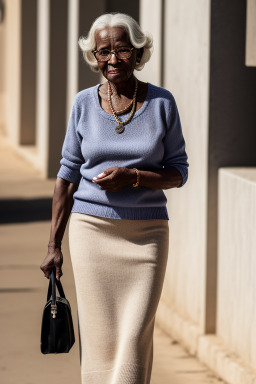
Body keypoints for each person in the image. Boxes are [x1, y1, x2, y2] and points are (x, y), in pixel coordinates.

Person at [40, 12, 189, 384]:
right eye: (103, 51)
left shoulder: (161, 104)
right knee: (100, 336)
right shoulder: (83, 104)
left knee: (135, 334)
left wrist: (134, 177)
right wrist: (53, 244)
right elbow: (67, 175)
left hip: (148, 236)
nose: (111, 59)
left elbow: (178, 172)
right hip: (92, 232)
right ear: (94, 56)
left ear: (138, 54)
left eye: (122, 50)